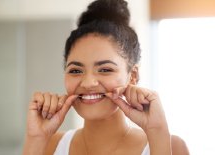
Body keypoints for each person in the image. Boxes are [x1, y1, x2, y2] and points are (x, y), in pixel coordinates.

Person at [22, 0, 189, 154]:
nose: (88, 83)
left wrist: (157, 132)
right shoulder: (50, 145)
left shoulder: (170, 145)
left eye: (105, 69)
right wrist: (35, 139)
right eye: (75, 70)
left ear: (133, 76)